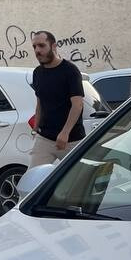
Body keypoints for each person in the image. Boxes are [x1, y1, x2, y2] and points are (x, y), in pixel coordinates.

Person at [29, 30, 85, 166]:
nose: (37, 50)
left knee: (78, 182)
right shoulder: (37, 73)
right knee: (33, 179)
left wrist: (65, 133)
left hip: (71, 139)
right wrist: (35, 128)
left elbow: (77, 105)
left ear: (54, 46)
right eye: (34, 47)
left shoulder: (70, 71)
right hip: (45, 138)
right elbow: (40, 102)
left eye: (41, 46)